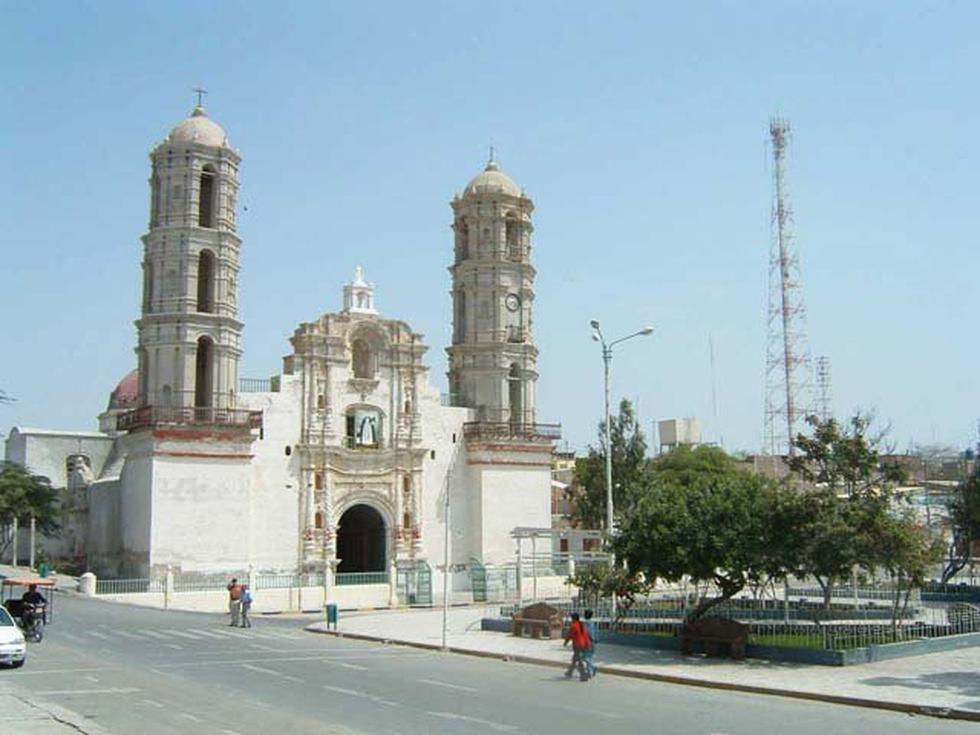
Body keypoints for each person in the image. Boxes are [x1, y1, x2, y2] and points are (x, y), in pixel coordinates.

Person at [563, 612, 591, 681]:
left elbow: (570, 635)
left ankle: (583, 675)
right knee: (575, 659)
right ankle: (570, 672)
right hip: (584, 644)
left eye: (572, 618)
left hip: (577, 645)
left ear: (574, 618)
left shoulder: (574, 626)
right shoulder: (581, 625)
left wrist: (566, 642)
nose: (571, 620)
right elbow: (586, 635)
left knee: (578, 659)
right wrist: (588, 644)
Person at [582, 609, 597, 679]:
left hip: (586, 642)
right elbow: (595, 633)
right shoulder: (593, 623)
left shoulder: (584, 624)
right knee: (589, 657)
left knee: (584, 657)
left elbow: (587, 633)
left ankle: (591, 670)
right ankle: (591, 670)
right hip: (592, 642)